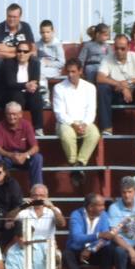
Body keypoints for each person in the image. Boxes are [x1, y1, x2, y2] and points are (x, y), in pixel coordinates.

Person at [54, 59, 100, 191]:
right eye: (68, 72)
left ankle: (78, 164)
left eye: (73, 71)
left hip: (85, 122)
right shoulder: (59, 87)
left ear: (80, 71)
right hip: (66, 123)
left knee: (94, 133)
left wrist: (84, 124)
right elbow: (59, 113)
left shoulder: (90, 87)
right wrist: (73, 124)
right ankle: (76, 165)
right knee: (66, 134)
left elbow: (91, 110)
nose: (70, 74)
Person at [96, 35, 135, 135]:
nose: (119, 51)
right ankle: (107, 128)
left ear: (129, 47)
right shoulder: (107, 58)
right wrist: (122, 87)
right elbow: (100, 78)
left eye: (122, 48)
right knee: (102, 88)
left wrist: (129, 82)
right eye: (116, 48)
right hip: (116, 93)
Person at [0, 39, 43, 133]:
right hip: (10, 94)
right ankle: (17, 128)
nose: (22, 53)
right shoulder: (9, 63)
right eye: (19, 51)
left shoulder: (35, 63)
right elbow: (10, 83)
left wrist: (32, 86)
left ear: (30, 53)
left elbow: (35, 81)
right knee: (17, 95)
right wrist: (26, 85)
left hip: (28, 94)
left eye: (25, 51)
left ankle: (38, 128)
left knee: (37, 96)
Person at [0, 101, 42, 186]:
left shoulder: (27, 125)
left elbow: (35, 147)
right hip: (8, 157)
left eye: (14, 114)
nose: (12, 117)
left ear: (20, 114)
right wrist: (11, 155)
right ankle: (0, 188)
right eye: (9, 114)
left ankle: (36, 189)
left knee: (38, 157)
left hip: (25, 157)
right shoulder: (0, 125)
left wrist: (25, 155)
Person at [61, 193, 113, 269]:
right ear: (90, 207)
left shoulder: (104, 215)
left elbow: (105, 238)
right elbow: (77, 237)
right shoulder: (76, 214)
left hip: (95, 251)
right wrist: (97, 235)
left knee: (108, 250)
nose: (103, 208)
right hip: (77, 251)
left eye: (103, 205)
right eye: (100, 205)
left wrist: (90, 249)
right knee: (67, 255)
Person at [0, 2, 33, 92]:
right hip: (4, 60)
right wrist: (21, 53)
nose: (11, 19)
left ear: (20, 17)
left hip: (21, 59)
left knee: (35, 59)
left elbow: (32, 49)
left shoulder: (26, 27)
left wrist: (8, 49)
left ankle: (34, 91)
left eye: (14, 17)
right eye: (9, 16)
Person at [106, 176, 135, 269]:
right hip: (123, 245)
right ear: (120, 192)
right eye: (124, 192)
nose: (127, 195)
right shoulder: (114, 208)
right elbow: (114, 235)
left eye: (130, 192)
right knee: (119, 251)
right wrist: (130, 249)